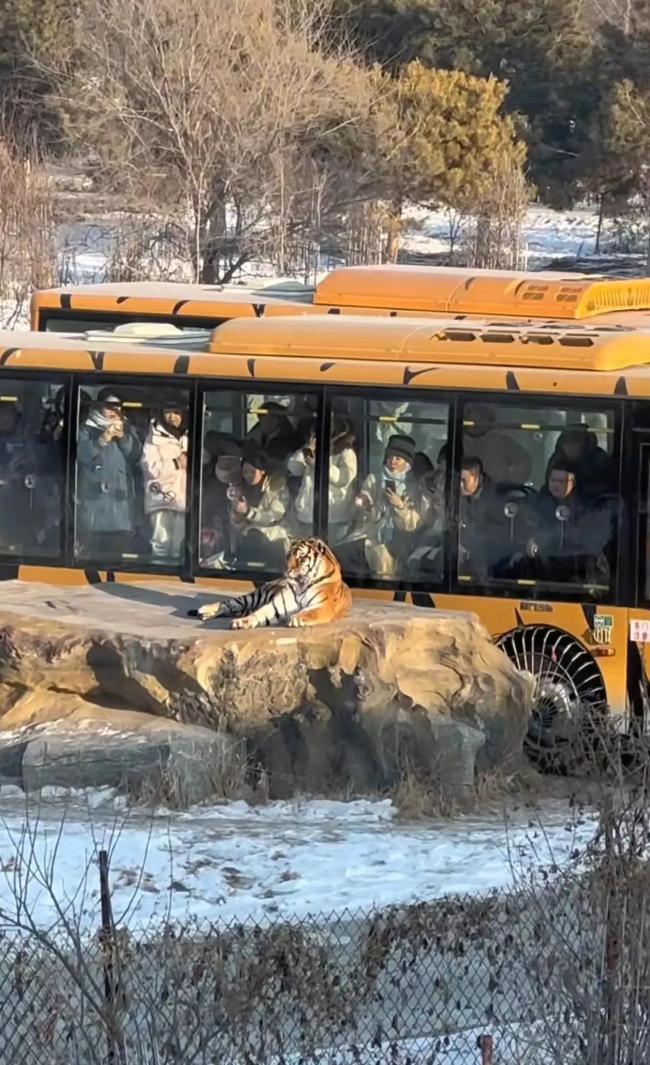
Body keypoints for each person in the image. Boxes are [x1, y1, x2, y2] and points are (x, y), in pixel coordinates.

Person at [75, 389, 142, 558]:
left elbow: (136, 456)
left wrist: (123, 438)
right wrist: (101, 440)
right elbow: (82, 456)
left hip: (120, 504)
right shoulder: (87, 428)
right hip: (94, 502)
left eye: (117, 407)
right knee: (93, 554)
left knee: (116, 553)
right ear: (99, 407)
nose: (113, 411)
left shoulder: (127, 428)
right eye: (109, 406)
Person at [352, 434, 426, 579]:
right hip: (372, 539)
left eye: (398, 458)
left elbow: (414, 523)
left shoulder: (413, 487)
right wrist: (367, 505)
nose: (392, 461)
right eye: (390, 456)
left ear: (407, 462)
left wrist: (400, 506)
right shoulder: (374, 479)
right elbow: (363, 509)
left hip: (401, 543)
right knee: (381, 559)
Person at [523, 462, 611, 584]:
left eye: (562, 481)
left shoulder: (585, 507)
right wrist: (532, 537)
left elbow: (587, 537)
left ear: (573, 483)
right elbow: (528, 525)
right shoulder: (537, 503)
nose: (556, 485)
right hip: (543, 568)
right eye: (553, 480)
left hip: (578, 568)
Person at [288, 416, 358, 543]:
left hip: (334, 517)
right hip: (308, 516)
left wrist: (320, 466)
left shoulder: (345, 451)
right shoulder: (313, 447)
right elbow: (294, 468)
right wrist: (307, 449)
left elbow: (344, 478)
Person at [141, 400, 188, 562]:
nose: (172, 417)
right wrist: (176, 463)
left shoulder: (191, 434)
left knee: (180, 548)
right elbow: (150, 469)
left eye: (177, 412)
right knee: (161, 545)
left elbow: (205, 460)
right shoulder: (153, 437)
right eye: (168, 412)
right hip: (161, 500)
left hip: (184, 501)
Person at [230, 446, 291, 569]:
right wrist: (237, 516)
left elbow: (274, 516)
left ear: (263, 471)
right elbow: (239, 526)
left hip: (275, 538)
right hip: (250, 540)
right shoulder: (242, 488)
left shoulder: (277, 485)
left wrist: (248, 511)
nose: (248, 476)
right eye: (245, 472)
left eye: (252, 472)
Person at [457, 456, 509, 579]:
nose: (459, 485)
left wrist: (471, 546)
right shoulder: (456, 496)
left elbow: (499, 535)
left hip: (490, 561)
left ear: (478, 479)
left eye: (464, 480)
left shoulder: (497, 500)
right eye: (457, 479)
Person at [462, 403, 531, 486]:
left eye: (481, 417)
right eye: (471, 419)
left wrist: (506, 480)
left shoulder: (502, 443)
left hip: (498, 493)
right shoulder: (457, 443)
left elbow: (523, 464)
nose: (476, 423)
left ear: (490, 420)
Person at [545, 425, 616, 500]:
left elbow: (608, 493)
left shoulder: (600, 461)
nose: (570, 445)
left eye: (575, 441)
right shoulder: (557, 460)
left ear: (585, 443)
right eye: (567, 441)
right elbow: (548, 490)